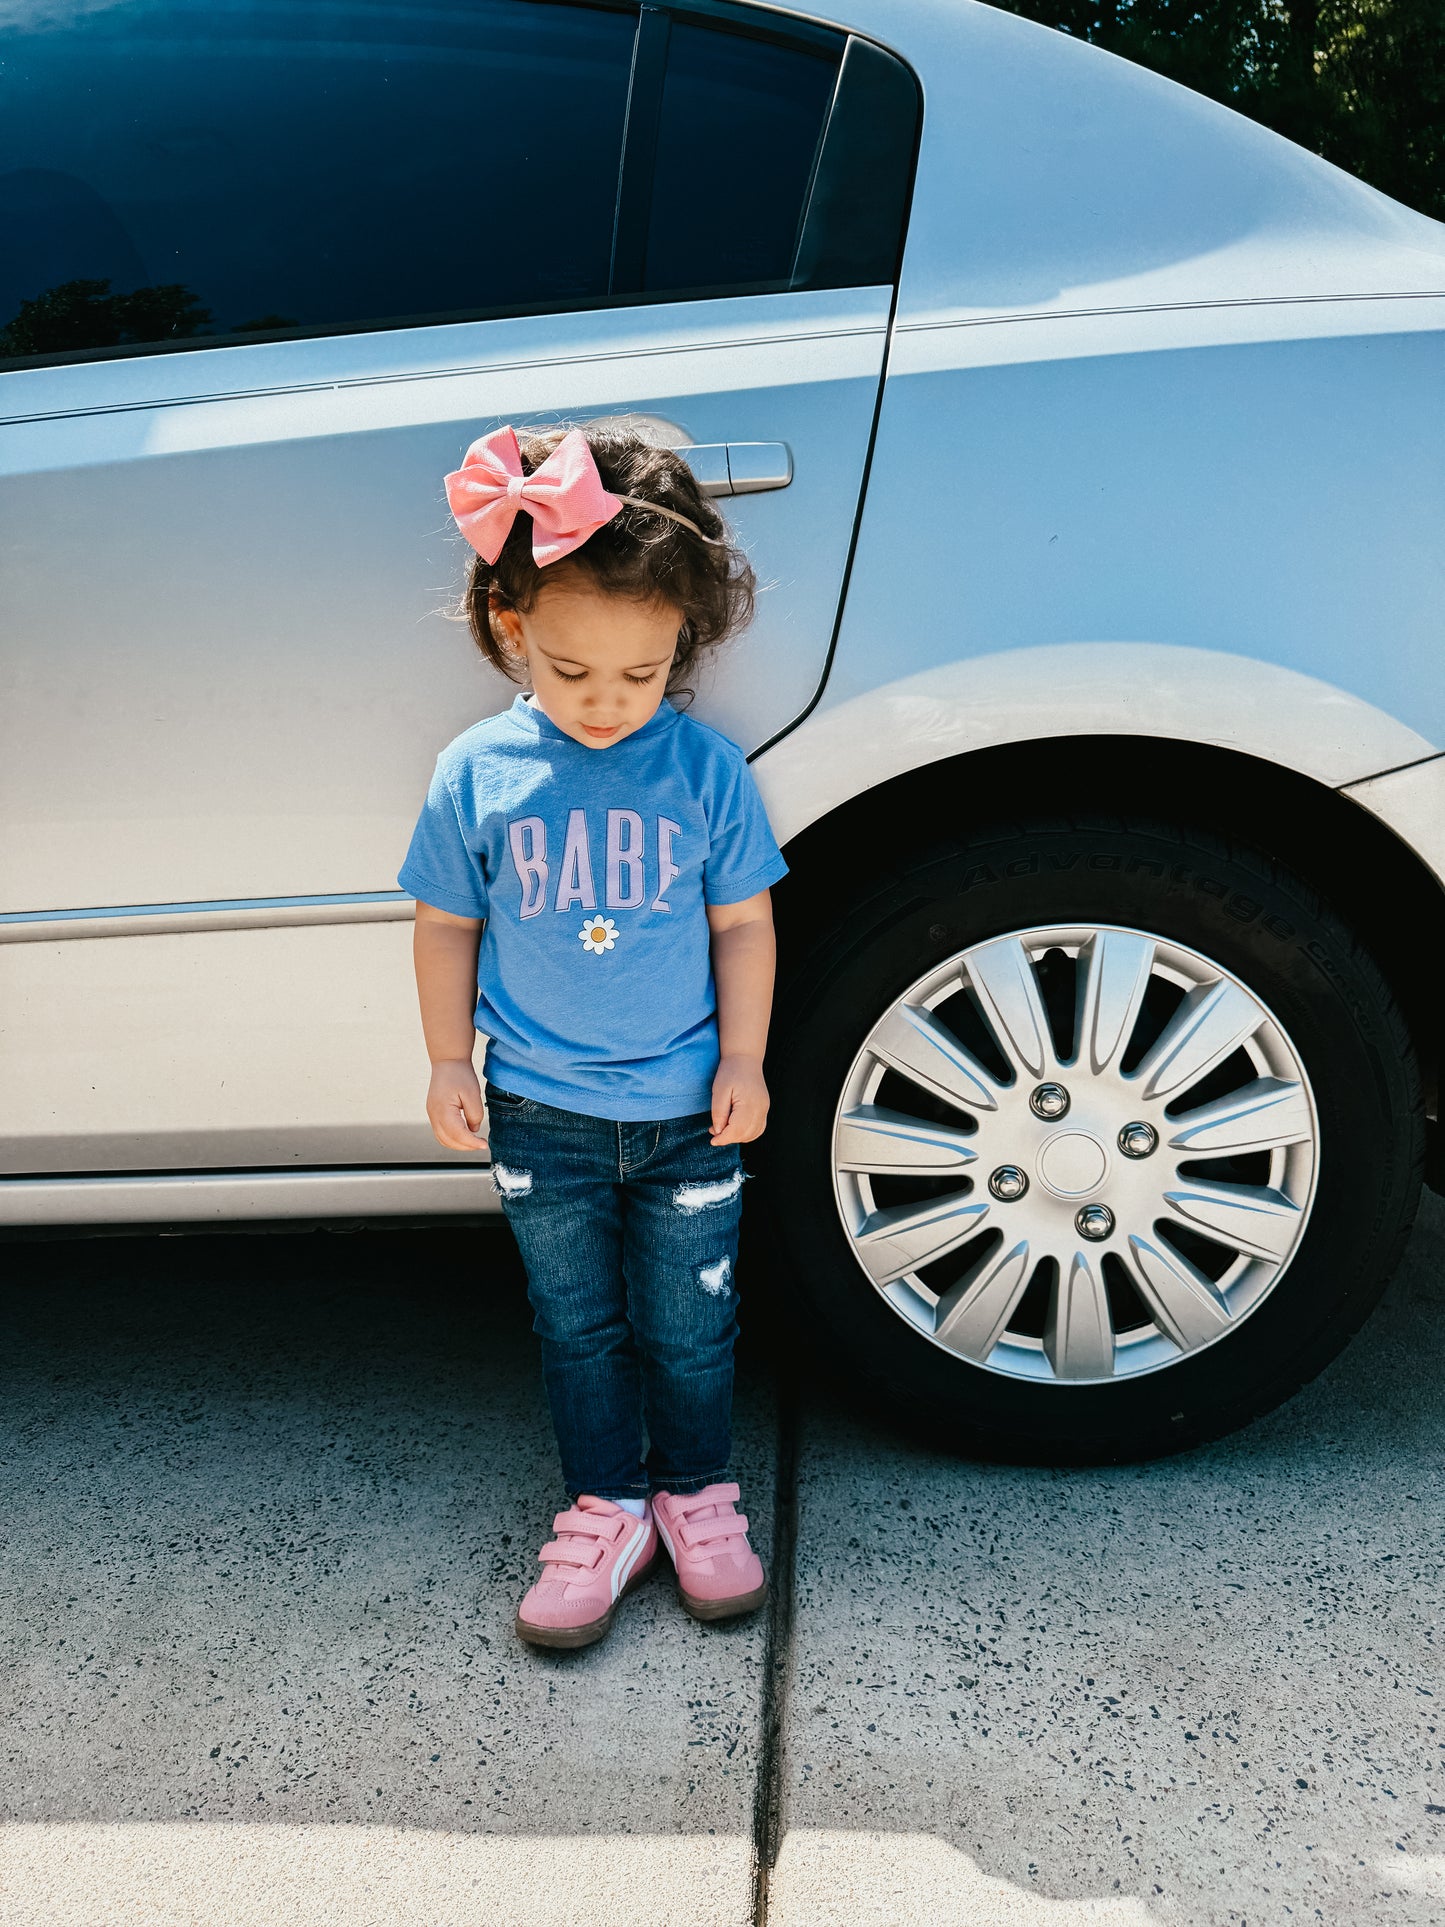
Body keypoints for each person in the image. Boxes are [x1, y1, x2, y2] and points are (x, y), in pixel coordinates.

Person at [399, 422, 788, 1650]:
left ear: (684, 642)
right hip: (541, 1116)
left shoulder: (704, 771)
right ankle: (605, 1503)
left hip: (685, 1113)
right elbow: (445, 925)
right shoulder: (476, 773)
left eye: (641, 674)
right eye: (573, 674)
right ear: (512, 629)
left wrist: (741, 1059)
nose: (608, 705)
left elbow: (742, 927)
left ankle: (697, 1490)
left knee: (692, 1322)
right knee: (574, 1324)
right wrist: (449, 1059)